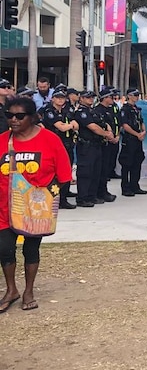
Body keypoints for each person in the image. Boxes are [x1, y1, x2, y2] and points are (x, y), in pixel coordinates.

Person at [0, 97, 73, 312]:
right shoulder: (3, 140)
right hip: (5, 208)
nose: (13, 120)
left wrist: (49, 198)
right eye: (9, 115)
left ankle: (28, 291)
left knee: (31, 250)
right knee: (4, 249)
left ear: (32, 118)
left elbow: (64, 176)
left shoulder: (50, 140)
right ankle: (11, 289)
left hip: (35, 210)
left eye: (19, 116)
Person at [39, 88, 77, 209]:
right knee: (55, 174)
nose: (60, 100)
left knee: (66, 171)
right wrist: (70, 125)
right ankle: (56, 198)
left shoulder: (66, 110)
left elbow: (76, 125)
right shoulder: (49, 111)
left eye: (62, 98)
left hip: (67, 143)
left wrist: (70, 125)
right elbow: (61, 127)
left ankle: (64, 197)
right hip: (54, 145)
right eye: (58, 97)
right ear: (53, 99)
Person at [118, 88, 147, 196]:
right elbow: (125, 125)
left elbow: (141, 121)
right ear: (129, 96)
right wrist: (137, 134)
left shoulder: (137, 109)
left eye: (138, 95)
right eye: (135, 95)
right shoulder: (124, 109)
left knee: (137, 162)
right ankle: (125, 188)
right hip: (129, 139)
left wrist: (143, 132)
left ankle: (135, 185)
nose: (137, 97)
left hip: (138, 140)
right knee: (127, 164)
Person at [94, 89, 120, 203]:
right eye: (110, 97)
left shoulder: (111, 109)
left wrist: (117, 135)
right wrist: (109, 136)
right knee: (101, 169)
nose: (112, 99)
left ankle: (104, 191)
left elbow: (116, 123)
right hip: (103, 142)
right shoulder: (98, 110)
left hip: (112, 141)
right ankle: (100, 192)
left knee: (107, 168)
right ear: (104, 98)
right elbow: (100, 127)